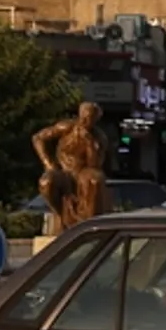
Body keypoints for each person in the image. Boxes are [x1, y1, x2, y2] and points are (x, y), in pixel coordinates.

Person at [32, 102, 111, 238]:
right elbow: (38, 138)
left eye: (90, 119)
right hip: (64, 171)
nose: (85, 121)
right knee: (46, 182)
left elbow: (94, 165)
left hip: (83, 171)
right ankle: (60, 214)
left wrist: (89, 144)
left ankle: (88, 225)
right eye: (84, 117)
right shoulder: (66, 127)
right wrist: (48, 163)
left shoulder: (99, 138)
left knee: (94, 180)